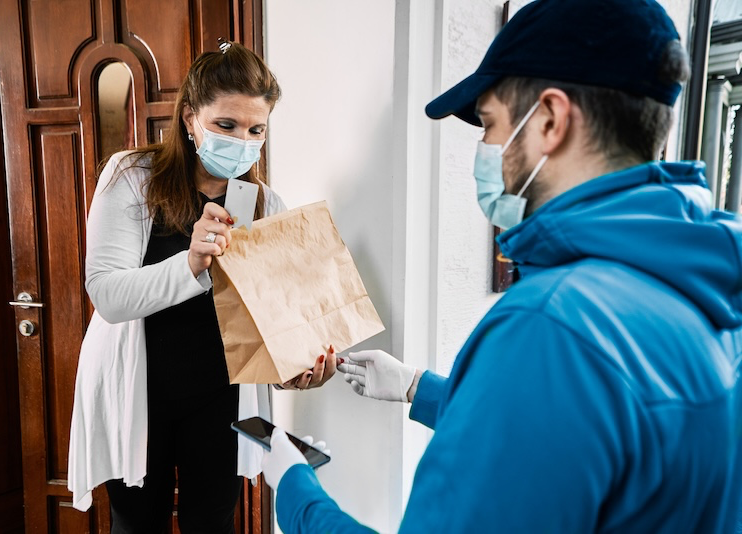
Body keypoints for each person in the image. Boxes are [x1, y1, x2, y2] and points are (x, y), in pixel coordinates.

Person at [259, 0, 742, 532]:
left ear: (551, 121)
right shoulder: (704, 282)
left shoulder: (550, 326)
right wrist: (420, 386)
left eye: (489, 124)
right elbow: (582, 434)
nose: (485, 147)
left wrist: (295, 490)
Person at [67, 41, 338, 533]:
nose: (243, 140)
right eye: (226, 126)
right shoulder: (132, 176)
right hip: (139, 391)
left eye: (256, 129)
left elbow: (268, 323)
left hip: (220, 398)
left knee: (213, 524)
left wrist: (294, 369)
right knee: (136, 525)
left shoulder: (264, 203)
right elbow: (107, 295)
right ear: (191, 119)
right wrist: (192, 263)